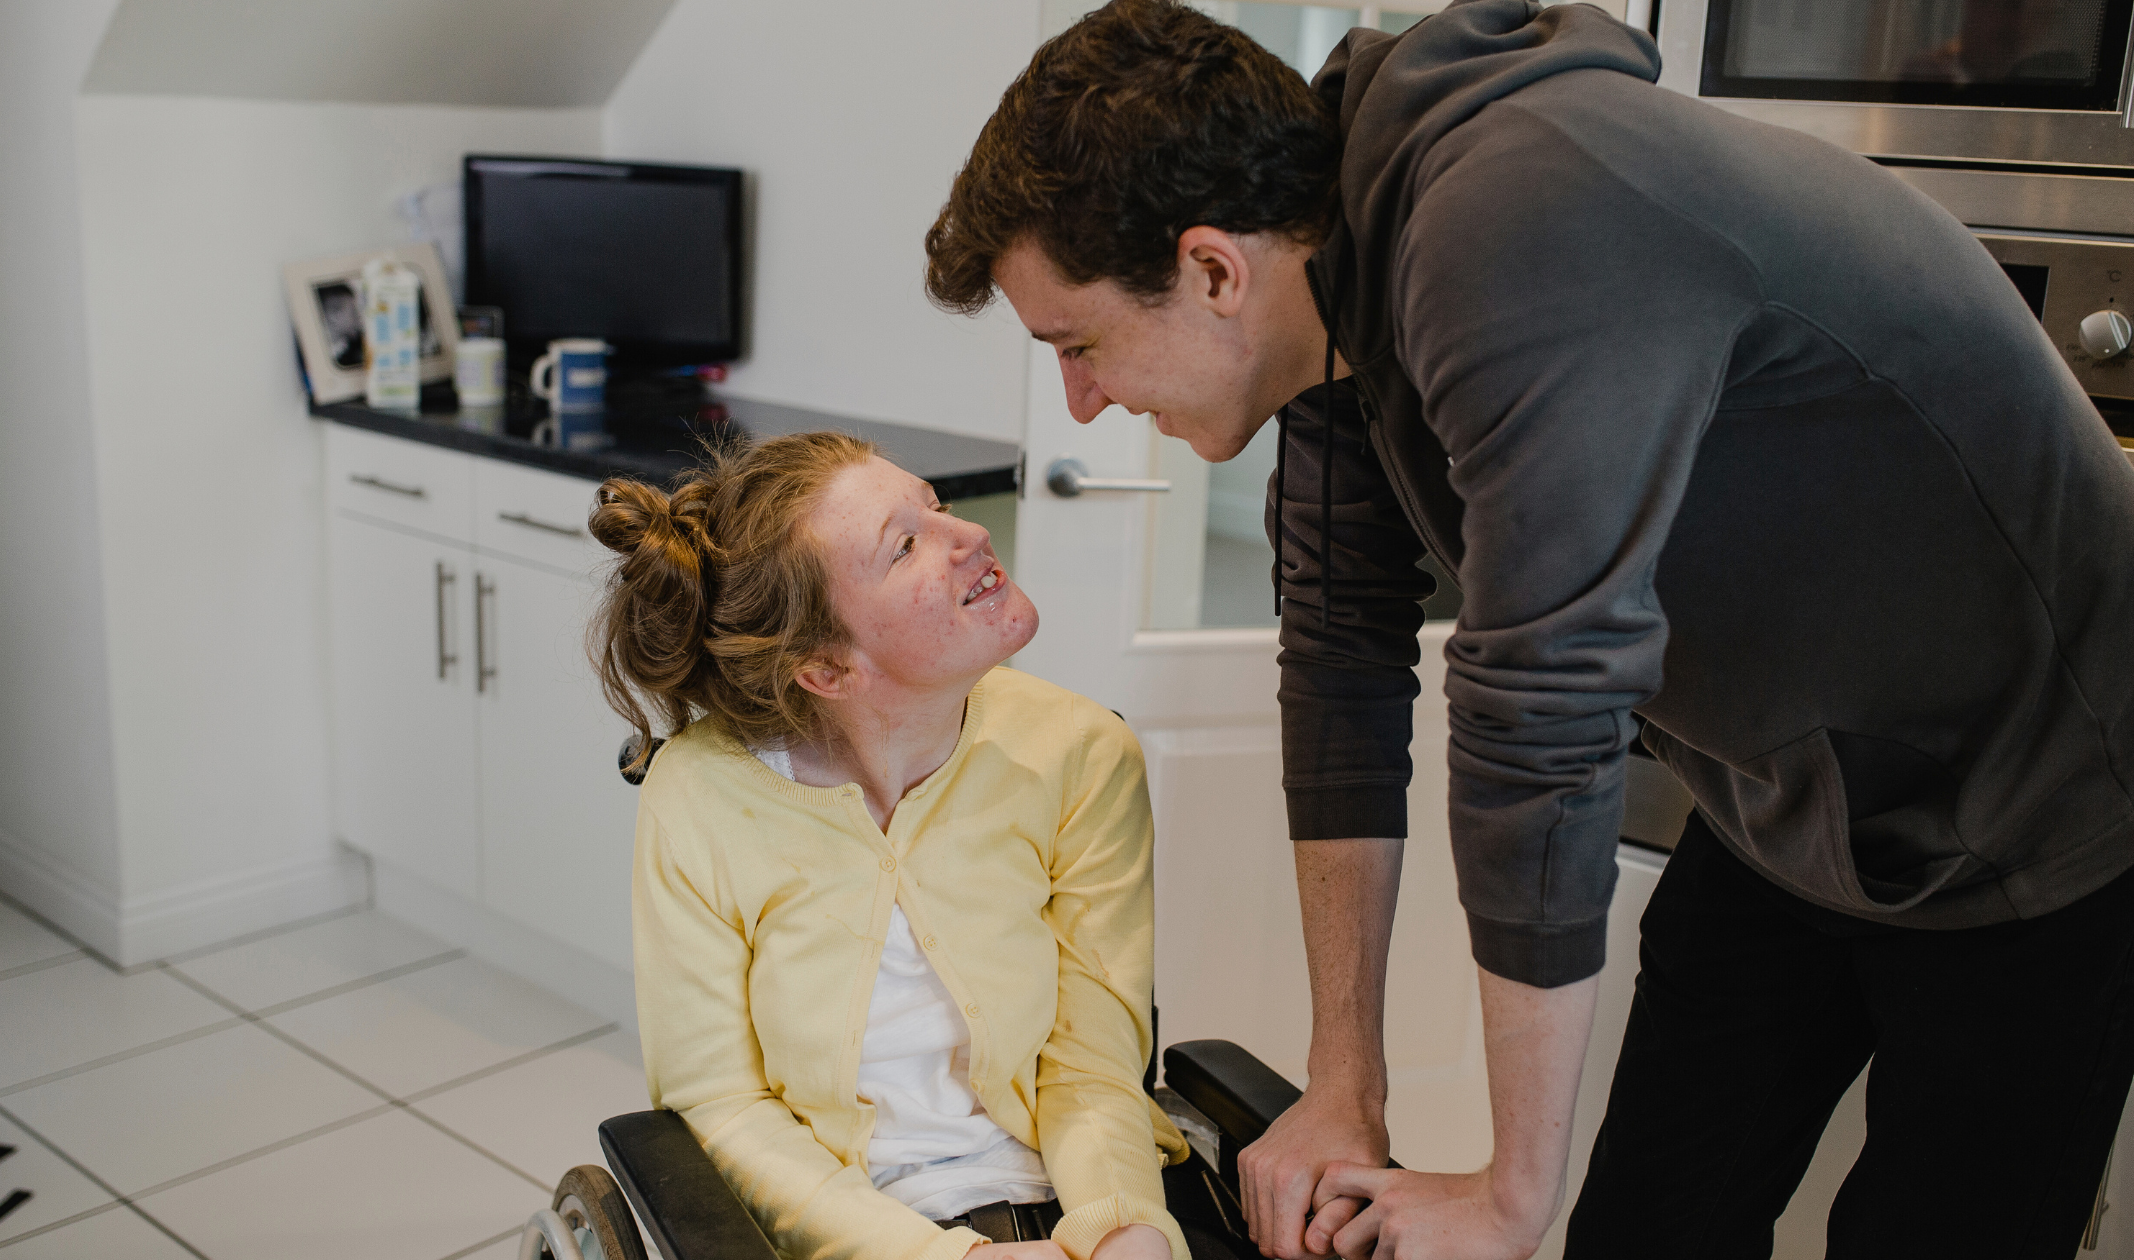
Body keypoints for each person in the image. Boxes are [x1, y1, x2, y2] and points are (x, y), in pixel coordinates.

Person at [922, 2, 2134, 1258]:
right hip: (1782, 798)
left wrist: (1509, 1195)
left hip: (2037, 793)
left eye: (1079, 346)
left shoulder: (1520, 223)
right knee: (1645, 1229)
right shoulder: (1332, 259)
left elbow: (1542, 711)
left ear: (1213, 270)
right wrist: (1346, 1082)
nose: (1081, 401)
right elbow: (1340, 658)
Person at [591, 432, 1247, 1260]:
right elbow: (720, 1104)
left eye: (933, 506)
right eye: (906, 547)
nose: (968, 535)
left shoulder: (1078, 752)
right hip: (841, 1226)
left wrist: (1123, 1229)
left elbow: (1093, 1057)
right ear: (827, 669)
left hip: (1067, 1191)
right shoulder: (699, 797)